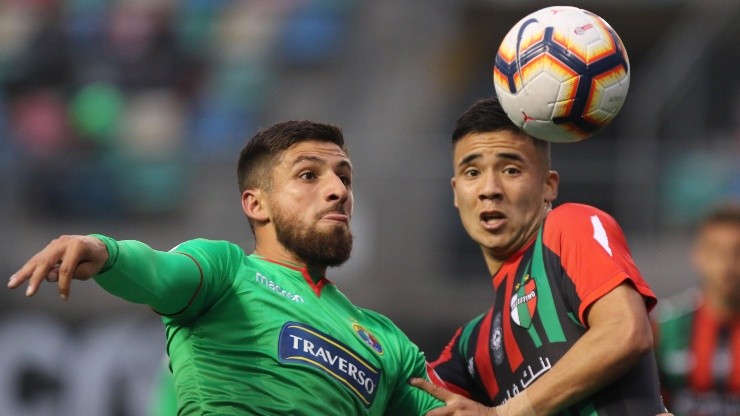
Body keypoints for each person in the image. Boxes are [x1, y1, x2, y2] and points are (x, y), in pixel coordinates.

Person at [8, 120, 445, 415]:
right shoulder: (227, 273)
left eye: (344, 177)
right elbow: (161, 273)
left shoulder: (388, 342)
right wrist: (103, 250)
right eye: (309, 175)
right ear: (256, 204)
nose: (338, 190)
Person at [410, 97, 669, 415]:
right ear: (455, 191)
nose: (489, 188)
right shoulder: (471, 345)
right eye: (472, 172)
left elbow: (625, 332)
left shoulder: (570, 226)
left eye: (510, 169)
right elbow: (401, 392)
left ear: (549, 186)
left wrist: (505, 413)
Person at [653, 203, 740, 415]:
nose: (726, 264)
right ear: (698, 255)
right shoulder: (663, 326)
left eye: (737, 252)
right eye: (715, 251)